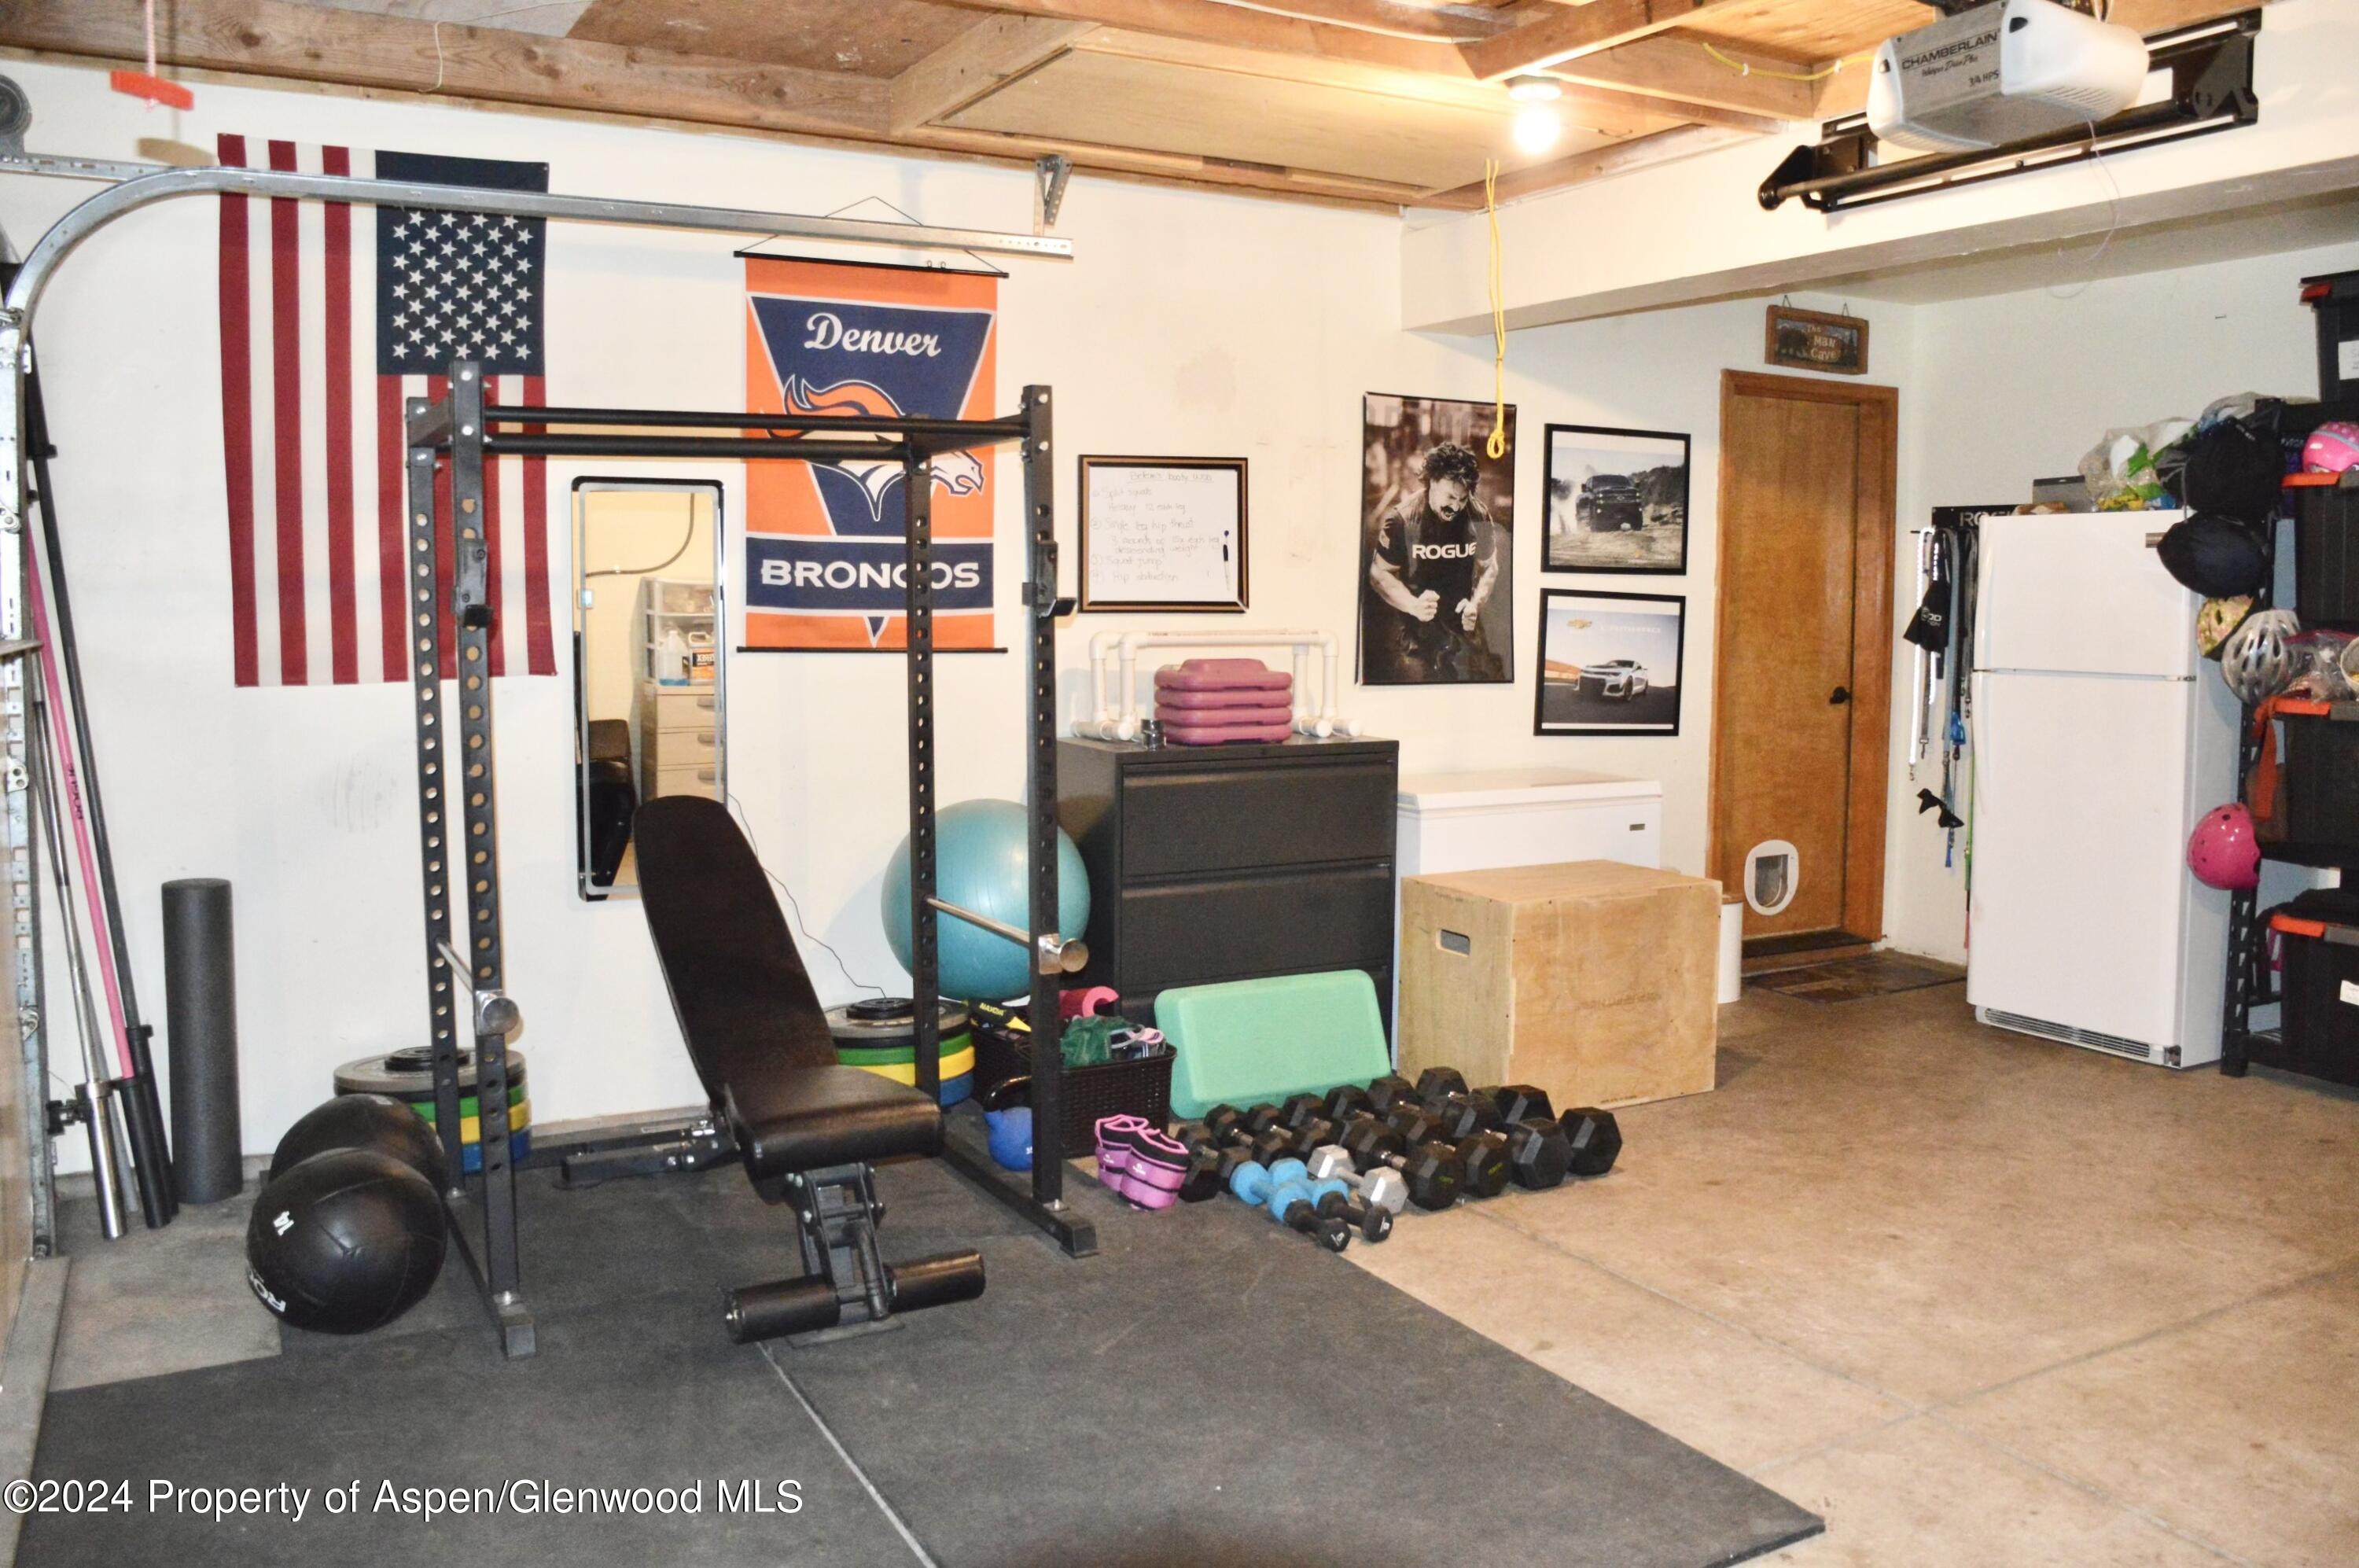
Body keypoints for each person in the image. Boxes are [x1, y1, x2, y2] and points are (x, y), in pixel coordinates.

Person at [1365, 441, 1503, 681]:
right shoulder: (1401, 519)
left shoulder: (1478, 514)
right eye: (1450, 497)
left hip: (1462, 624)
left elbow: (1489, 567)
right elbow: (1379, 575)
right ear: (1432, 482)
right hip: (1413, 629)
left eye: (1462, 499)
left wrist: (1476, 604)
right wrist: (1412, 605)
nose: (1456, 507)